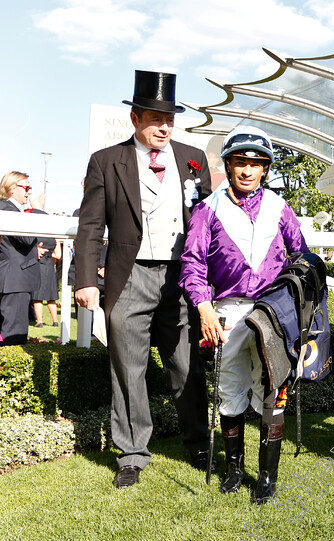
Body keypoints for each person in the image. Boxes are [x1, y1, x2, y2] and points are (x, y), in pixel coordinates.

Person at [74, 70, 213, 489]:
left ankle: (199, 443)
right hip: (128, 275)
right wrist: (85, 279)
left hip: (181, 275)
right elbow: (91, 225)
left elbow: (206, 223)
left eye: (169, 118)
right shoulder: (105, 160)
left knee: (186, 365)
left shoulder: (193, 157)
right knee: (127, 368)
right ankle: (132, 453)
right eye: (155, 117)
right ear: (135, 119)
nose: (163, 126)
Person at [180, 126, 308, 504]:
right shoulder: (207, 209)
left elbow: (302, 256)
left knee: (274, 388)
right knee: (229, 389)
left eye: (255, 163)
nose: (248, 170)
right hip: (227, 311)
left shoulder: (280, 208)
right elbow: (192, 263)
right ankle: (235, 468)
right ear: (229, 165)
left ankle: (267, 476)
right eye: (240, 162)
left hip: (271, 311)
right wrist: (203, 304)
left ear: (265, 168)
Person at [0, 172, 47, 345]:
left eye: (30, 188)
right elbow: (27, 237)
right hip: (14, 280)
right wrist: (39, 211)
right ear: (12, 189)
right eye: (26, 188)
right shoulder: (6, 209)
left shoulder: (7, 208)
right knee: (14, 335)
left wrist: (35, 249)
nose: (29, 192)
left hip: (12, 278)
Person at [32, 214, 61, 327]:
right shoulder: (53, 239)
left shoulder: (37, 237)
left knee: (37, 297)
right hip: (50, 266)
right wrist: (57, 242)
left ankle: (39, 321)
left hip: (39, 266)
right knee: (51, 297)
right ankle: (55, 321)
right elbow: (57, 255)